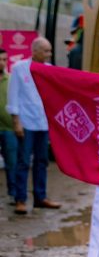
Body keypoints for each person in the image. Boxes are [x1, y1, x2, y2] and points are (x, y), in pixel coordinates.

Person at [8, 37, 62, 215]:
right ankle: (20, 199)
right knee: (23, 161)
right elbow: (13, 96)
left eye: (50, 51)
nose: (49, 54)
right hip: (26, 122)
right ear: (35, 51)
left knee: (42, 161)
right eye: (46, 51)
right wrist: (16, 121)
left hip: (43, 123)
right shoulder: (19, 68)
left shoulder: (50, 70)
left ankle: (40, 197)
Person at [0, 48, 18, 204]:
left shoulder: (12, 79)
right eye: (0, 59)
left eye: (5, 60)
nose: (2, 63)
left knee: (12, 162)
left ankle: (13, 193)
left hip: (8, 129)